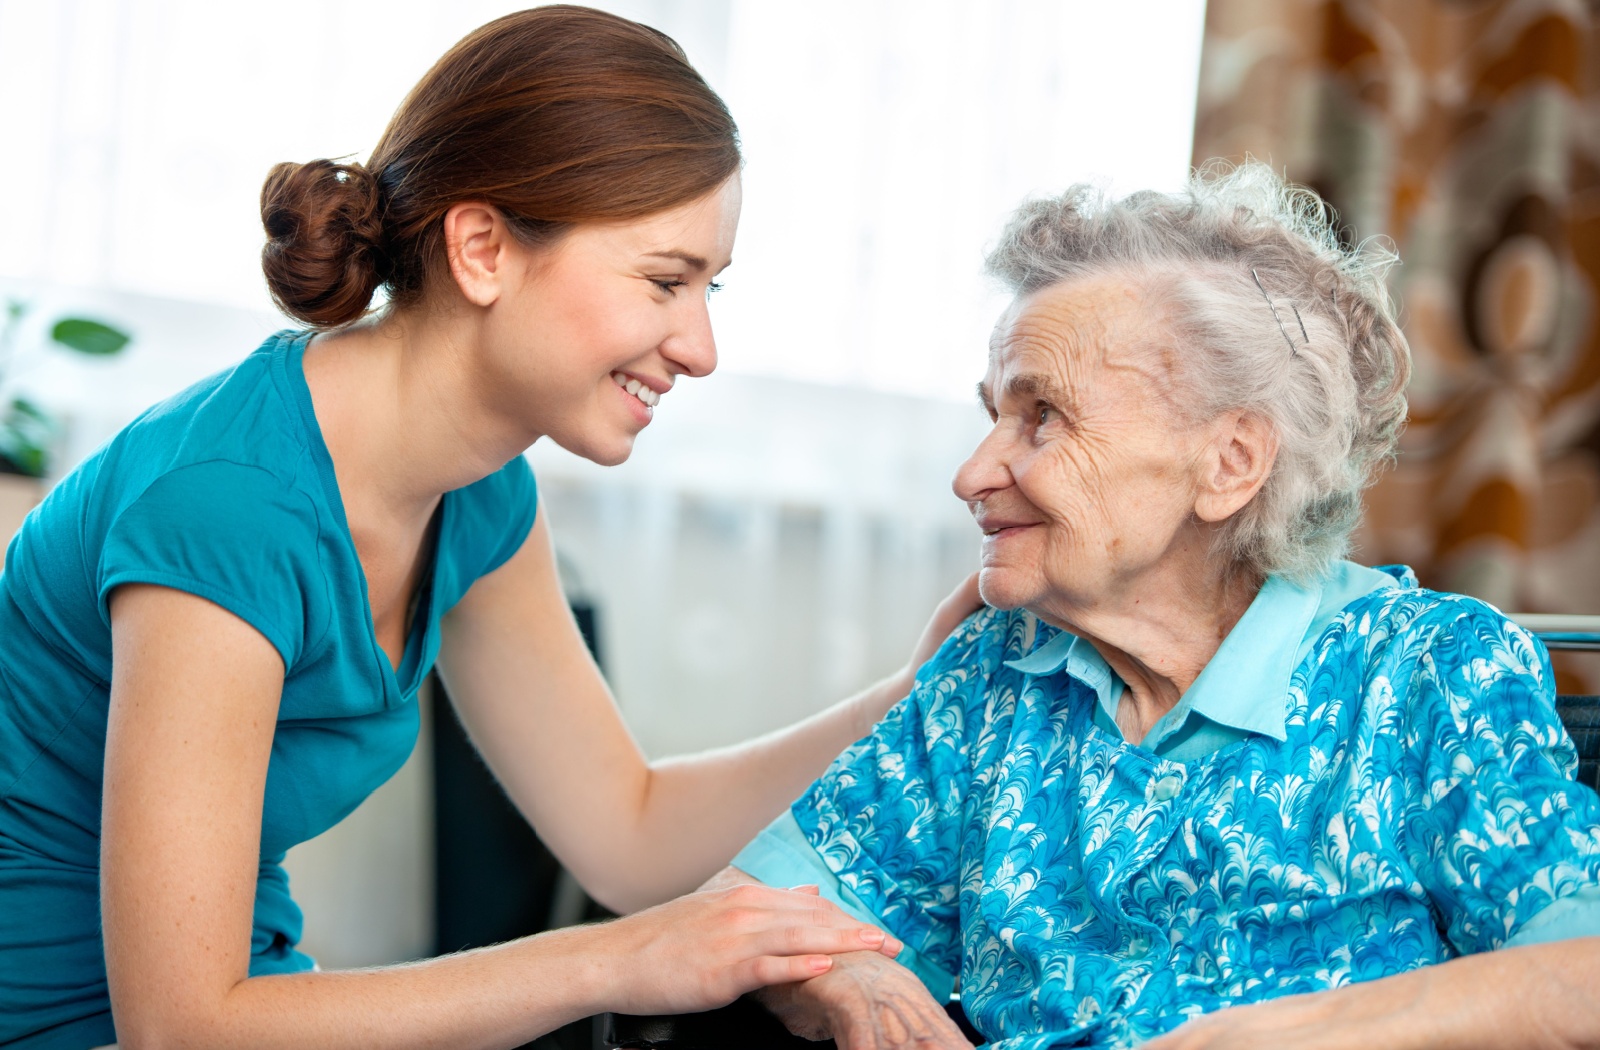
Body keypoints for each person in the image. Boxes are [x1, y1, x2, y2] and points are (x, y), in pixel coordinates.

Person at [0, 7, 981, 1048]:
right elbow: (181, 1027)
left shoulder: (480, 494)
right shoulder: (231, 508)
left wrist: (917, 695)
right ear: (481, 250)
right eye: (665, 281)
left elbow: (629, 833)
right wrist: (618, 958)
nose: (700, 348)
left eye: (710, 289)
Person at [711, 164, 1600, 1050]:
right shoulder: (996, 673)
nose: (972, 474)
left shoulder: (1425, 672)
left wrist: (1266, 1038)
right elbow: (746, 908)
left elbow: (1579, 975)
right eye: (993, 416)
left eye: (1043, 416)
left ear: (1230, 464)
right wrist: (850, 975)